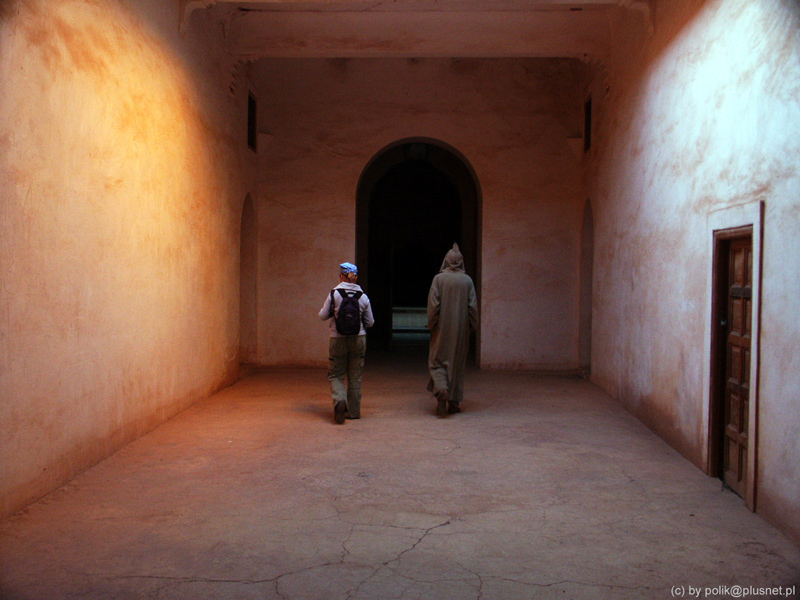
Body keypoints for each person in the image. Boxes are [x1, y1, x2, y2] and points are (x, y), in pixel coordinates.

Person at [319, 262, 375, 424]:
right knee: (355, 376)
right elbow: (370, 322)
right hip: (359, 339)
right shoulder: (363, 297)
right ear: (356, 277)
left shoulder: (334, 294)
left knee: (336, 374)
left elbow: (322, 316)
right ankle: (354, 412)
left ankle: (340, 401)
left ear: (341, 276)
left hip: (337, 338)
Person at [426, 243, 478, 417]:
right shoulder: (467, 281)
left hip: (442, 329)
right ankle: (454, 403)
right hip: (461, 330)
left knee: (437, 361)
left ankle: (442, 391)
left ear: (446, 261)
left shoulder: (438, 280)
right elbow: (473, 308)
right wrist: (471, 327)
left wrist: (431, 324)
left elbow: (434, 306)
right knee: (456, 364)